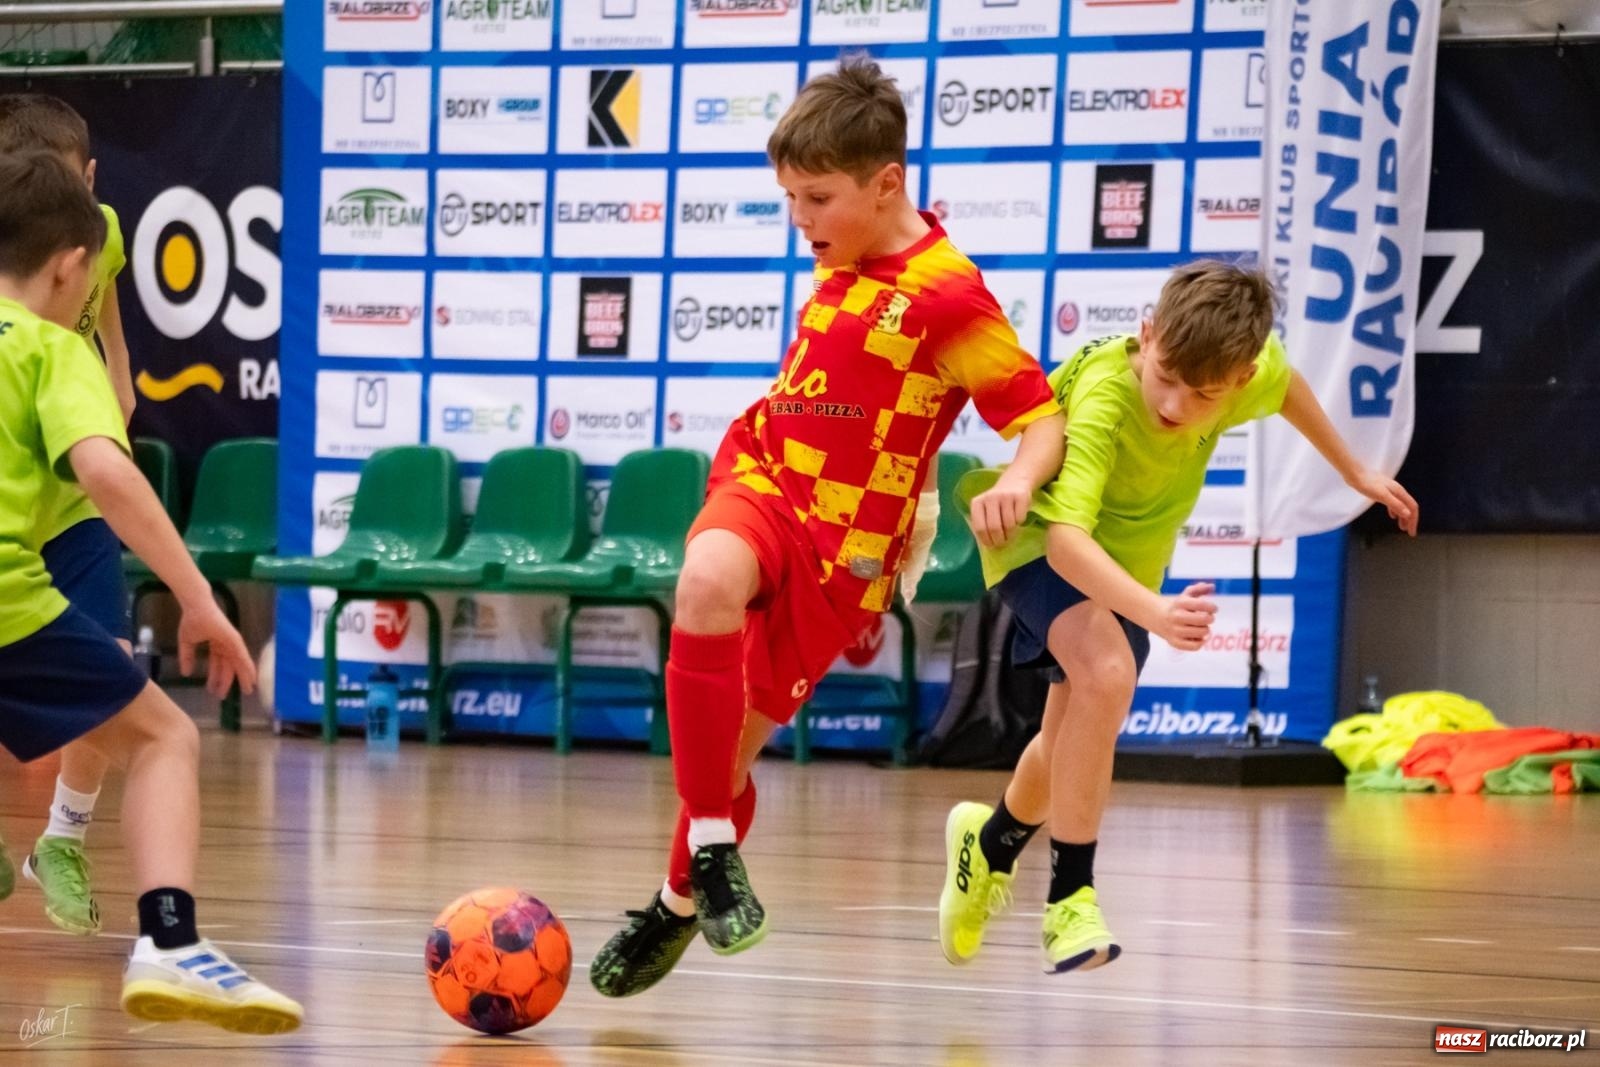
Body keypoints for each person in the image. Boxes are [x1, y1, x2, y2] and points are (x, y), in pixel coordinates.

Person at [589, 56, 1066, 998]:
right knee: (705, 581)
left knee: (728, 757)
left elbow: (1039, 418)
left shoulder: (950, 296)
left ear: (887, 183)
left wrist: (1017, 478)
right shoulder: (838, 246)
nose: (800, 219)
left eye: (817, 199)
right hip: (764, 474)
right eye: (790, 199)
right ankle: (714, 844)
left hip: (844, 555)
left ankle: (677, 900)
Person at [938, 259, 1420, 974]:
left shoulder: (1247, 373)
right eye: (1164, 376)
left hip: (1127, 564)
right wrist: (1157, 613)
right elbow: (1067, 543)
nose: (1174, 403)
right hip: (1039, 541)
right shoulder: (1107, 395)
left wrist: (1355, 472)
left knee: (1067, 735)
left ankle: (989, 845)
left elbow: (1286, 383)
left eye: (1203, 395)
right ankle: (1070, 899)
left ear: (1238, 377)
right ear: (1147, 334)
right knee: (1108, 672)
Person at [0, 150, 302, 1033]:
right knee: (166, 735)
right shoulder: (52, 350)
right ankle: (171, 942)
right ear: (71, 267)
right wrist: (197, 595)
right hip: (9, 603)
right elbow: (107, 471)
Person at [0, 92, 141, 935]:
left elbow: (108, 322)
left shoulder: (104, 234)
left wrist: (117, 385)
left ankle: (63, 837)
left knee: (112, 663)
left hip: (75, 489)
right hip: (13, 494)